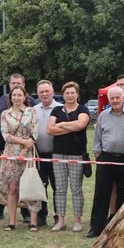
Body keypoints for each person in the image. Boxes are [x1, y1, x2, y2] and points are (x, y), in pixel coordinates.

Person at [87, 87, 124, 238]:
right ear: (109, 99)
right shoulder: (103, 115)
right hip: (106, 157)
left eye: (118, 97)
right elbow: (97, 136)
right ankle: (96, 228)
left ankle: (121, 228)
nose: (115, 100)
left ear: (123, 98)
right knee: (101, 194)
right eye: (112, 98)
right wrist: (97, 153)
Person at [0, 85, 41, 231]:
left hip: (28, 153)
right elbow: (6, 135)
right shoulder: (5, 114)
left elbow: (34, 133)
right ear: (10, 97)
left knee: (30, 185)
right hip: (11, 154)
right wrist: (23, 141)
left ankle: (33, 221)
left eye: (20, 95)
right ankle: (11, 222)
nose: (17, 98)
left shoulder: (31, 112)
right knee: (12, 188)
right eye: (14, 95)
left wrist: (25, 148)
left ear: (24, 97)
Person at [47, 81, 90, 232]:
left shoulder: (83, 109)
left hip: (76, 154)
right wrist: (70, 126)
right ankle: (60, 220)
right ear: (63, 95)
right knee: (59, 189)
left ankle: (78, 221)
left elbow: (81, 125)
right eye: (67, 93)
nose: (70, 95)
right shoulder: (57, 110)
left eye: (73, 92)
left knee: (76, 188)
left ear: (77, 94)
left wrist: (61, 125)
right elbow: (49, 130)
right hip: (58, 153)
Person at [0, 73, 28, 219]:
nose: (15, 85)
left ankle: (25, 212)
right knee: (1, 179)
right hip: (1, 147)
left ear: (24, 85)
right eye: (13, 83)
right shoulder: (2, 100)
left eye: (18, 83)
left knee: (21, 181)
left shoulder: (29, 102)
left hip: (22, 150)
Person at [32, 80, 60, 223]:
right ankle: (42, 215)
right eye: (41, 92)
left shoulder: (60, 108)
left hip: (56, 155)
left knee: (57, 187)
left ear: (52, 92)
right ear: (38, 94)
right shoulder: (33, 110)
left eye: (46, 91)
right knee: (40, 186)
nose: (44, 94)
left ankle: (58, 216)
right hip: (38, 155)